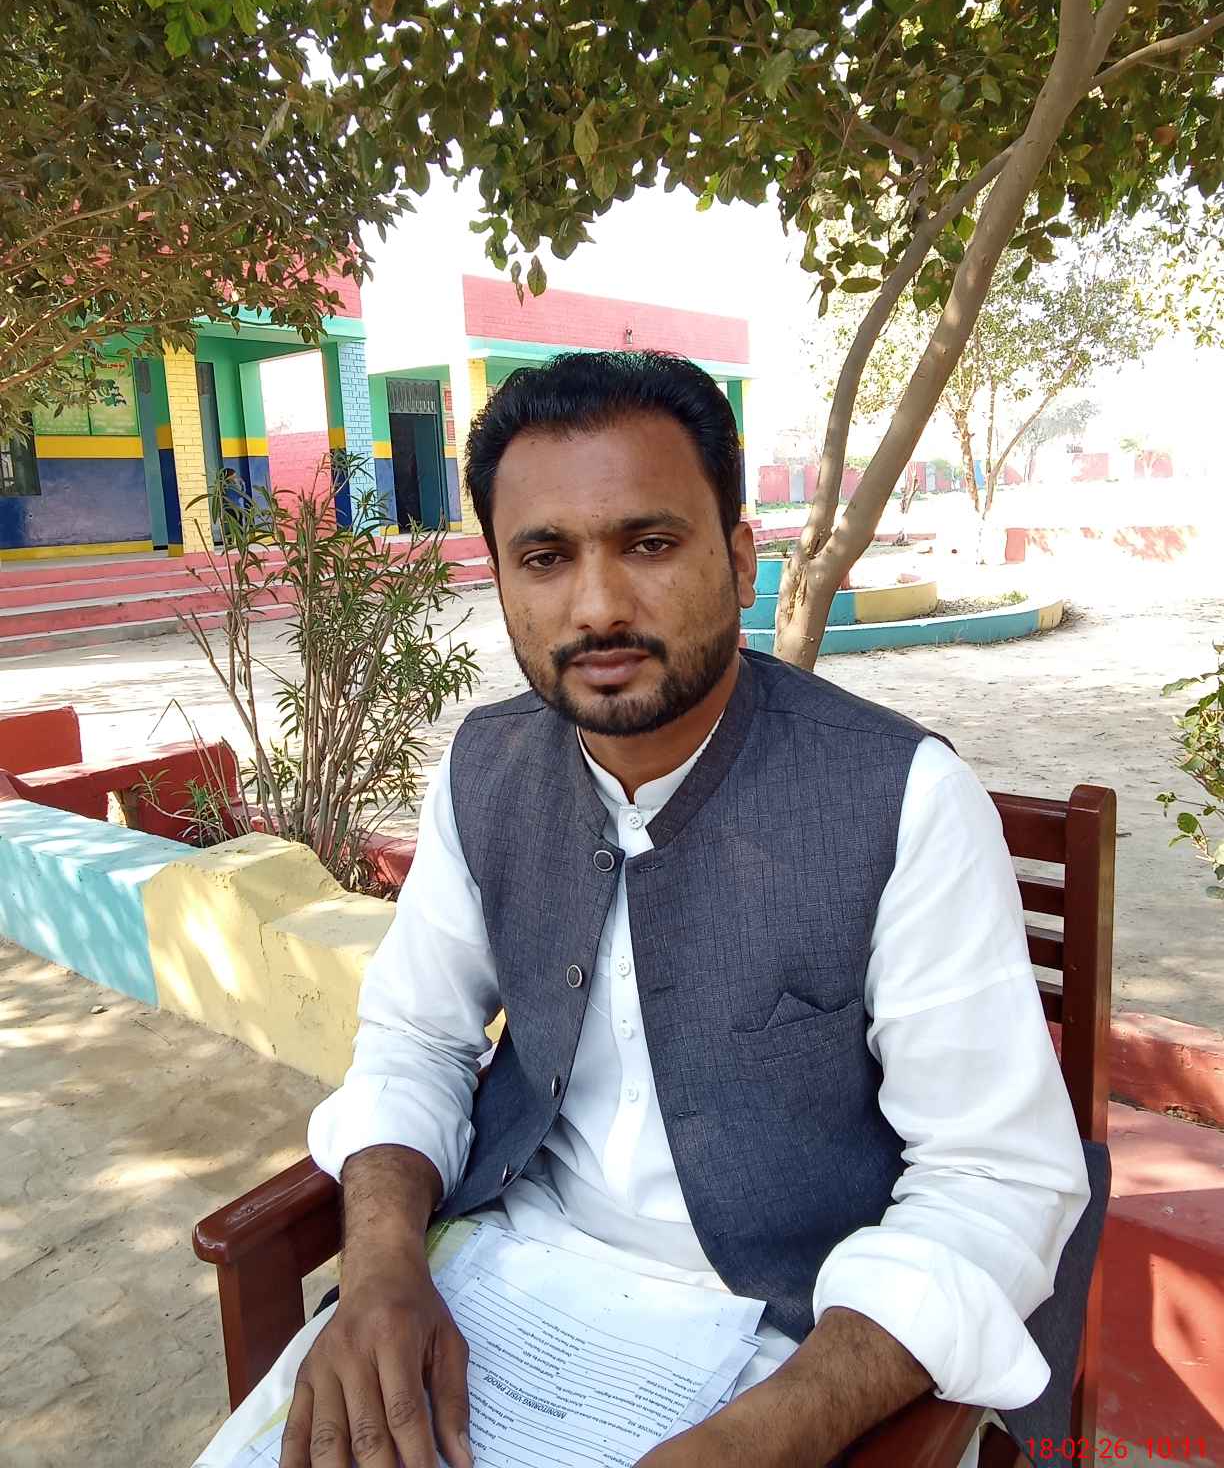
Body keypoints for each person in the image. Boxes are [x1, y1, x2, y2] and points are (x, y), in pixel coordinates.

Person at [194, 351, 1092, 1468]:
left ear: (740, 558)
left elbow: (995, 1176)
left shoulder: (903, 801)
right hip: (499, 1285)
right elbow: (415, 1037)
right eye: (545, 558)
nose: (598, 606)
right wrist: (380, 1268)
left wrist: (753, 1443)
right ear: (502, 579)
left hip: (790, 1340)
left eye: (650, 544)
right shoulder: (484, 772)